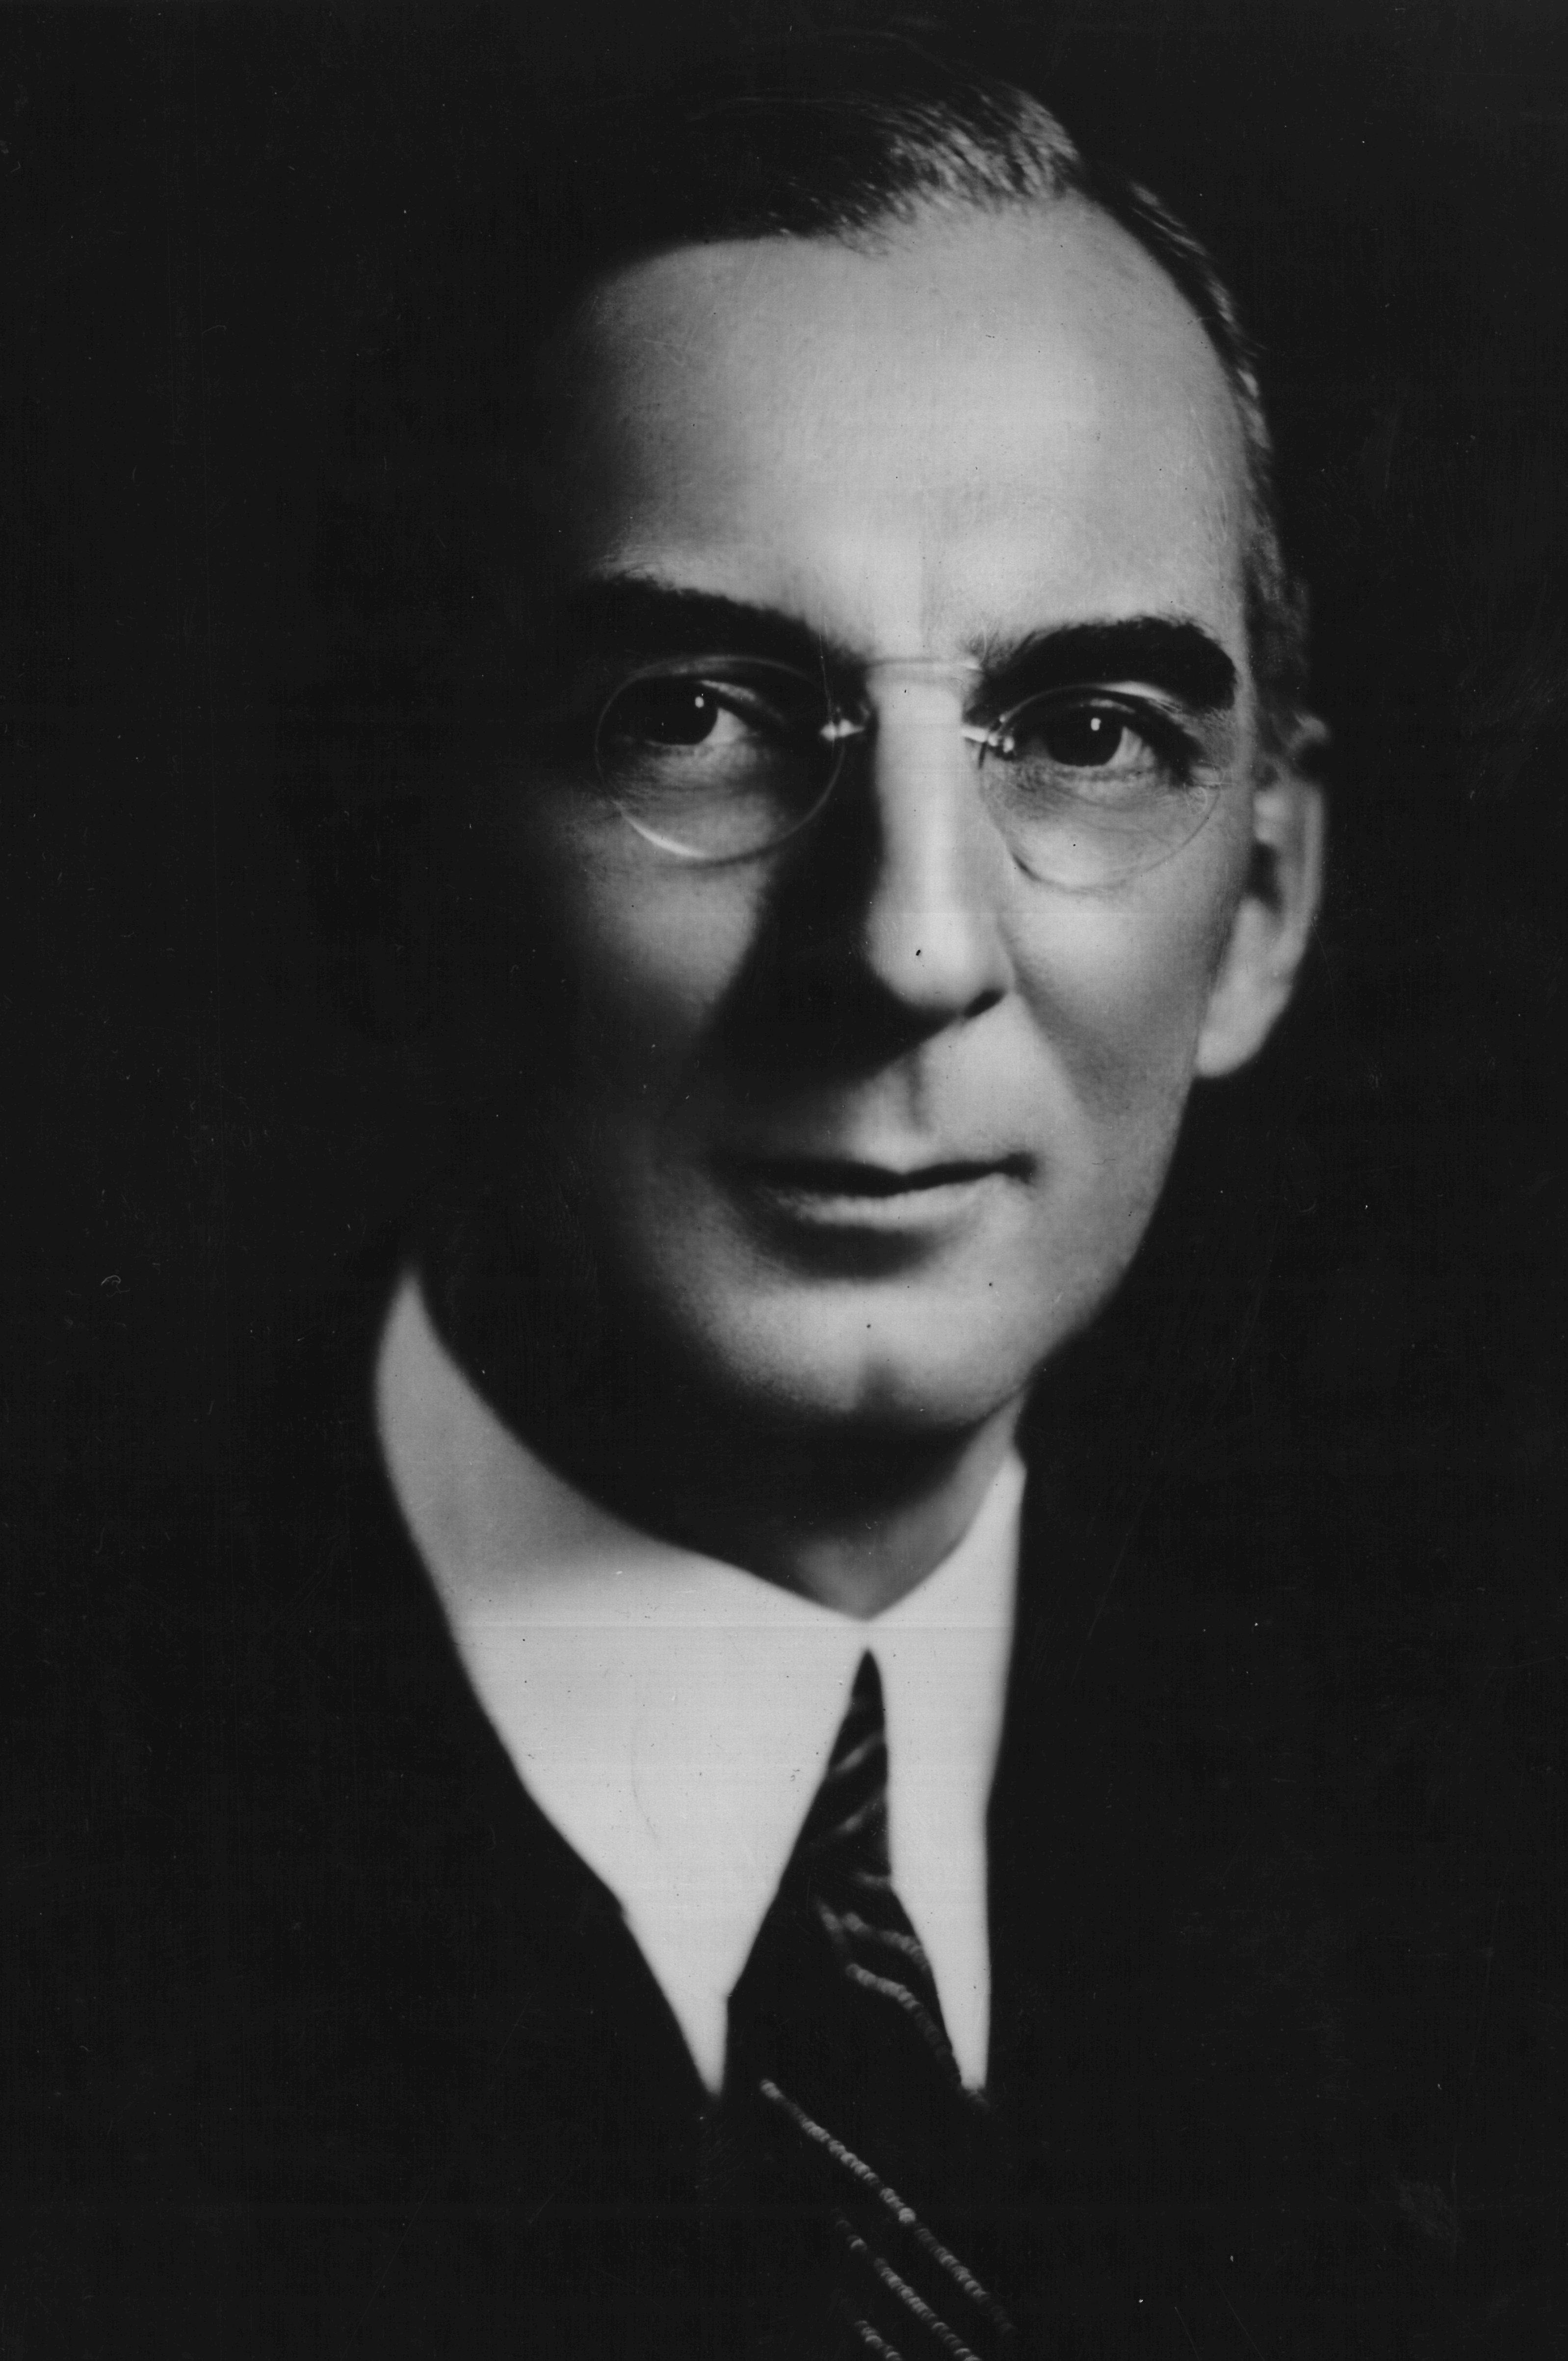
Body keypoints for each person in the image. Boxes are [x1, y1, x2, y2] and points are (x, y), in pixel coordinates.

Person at [87, 37, 1557, 2361]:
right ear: (391, 857)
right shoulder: (84, 1857)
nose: (908, 946)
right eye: (692, 713)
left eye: (1087, 735)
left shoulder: (1460, 1900)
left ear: (1264, 906)